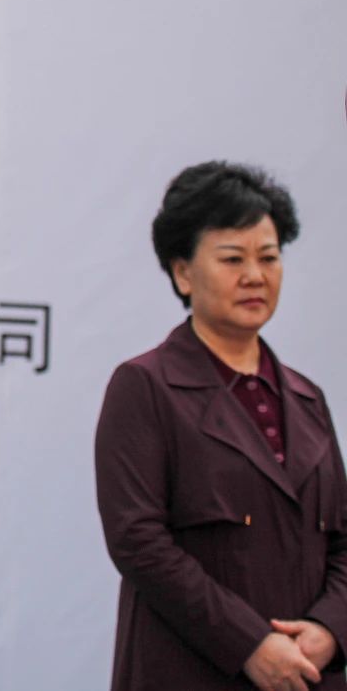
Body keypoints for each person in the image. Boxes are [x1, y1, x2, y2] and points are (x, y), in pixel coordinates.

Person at [95, 161, 347, 691]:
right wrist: (250, 644)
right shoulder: (145, 385)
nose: (255, 276)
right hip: (190, 670)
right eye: (233, 259)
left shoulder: (307, 398)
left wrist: (329, 630)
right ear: (183, 273)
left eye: (269, 257)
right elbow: (138, 541)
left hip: (308, 675)